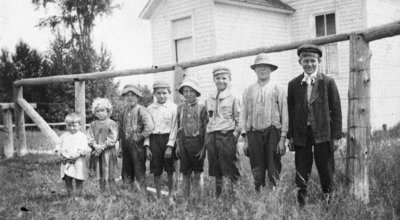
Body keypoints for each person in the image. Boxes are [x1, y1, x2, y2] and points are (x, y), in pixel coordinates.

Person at [287, 44, 342, 207]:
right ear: (300, 62)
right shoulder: (294, 84)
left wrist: (336, 136)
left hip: (323, 132)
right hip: (302, 133)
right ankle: (301, 204)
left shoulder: (328, 82)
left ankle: (328, 203)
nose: (309, 64)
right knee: (302, 169)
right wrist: (291, 135)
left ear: (319, 61)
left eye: (313, 61)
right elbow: (290, 111)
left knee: (326, 169)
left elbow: (336, 110)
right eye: (305, 61)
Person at [239, 53, 288, 192]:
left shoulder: (279, 89)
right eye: (259, 67)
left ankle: (274, 197)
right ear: (254, 69)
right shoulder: (248, 91)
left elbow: (285, 114)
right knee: (257, 168)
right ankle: (259, 197)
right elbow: (243, 115)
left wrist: (282, 139)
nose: (262, 69)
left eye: (266, 67)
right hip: (253, 133)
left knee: (273, 167)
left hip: (273, 132)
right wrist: (246, 140)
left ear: (271, 69)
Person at [203, 66, 241, 198]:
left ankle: (234, 196)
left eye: (224, 78)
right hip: (212, 136)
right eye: (217, 78)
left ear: (229, 79)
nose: (221, 81)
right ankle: (218, 197)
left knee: (231, 167)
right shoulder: (209, 98)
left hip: (227, 136)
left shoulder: (234, 97)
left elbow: (239, 119)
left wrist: (234, 136)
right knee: (216, 167)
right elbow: (208, 118)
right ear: (214, 80)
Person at [144, 80, 178, 204]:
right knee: (156, 170)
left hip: (168, 139)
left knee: (170, 169)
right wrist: (147, 146)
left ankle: (170, 196)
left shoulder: (174, 108)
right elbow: (147, 129)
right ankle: (158, 196)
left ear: (169, 92)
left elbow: (174, 128)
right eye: (159, 93)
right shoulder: (149, 108)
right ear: (154, 94)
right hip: (154, 140)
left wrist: (170, 146)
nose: (162, 96)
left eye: (164, 93)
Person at [176, 77, 207, 199]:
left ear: (196, 92)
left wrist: (204, 148)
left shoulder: (202, 107)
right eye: (185, 91)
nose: (188, 94)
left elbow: (206, 130)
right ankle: (186, 200)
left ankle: (198, 200)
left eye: (191, 91)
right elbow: (178, 128)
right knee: (185, 173)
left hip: (197, 143)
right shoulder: (180, 108)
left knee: (198, 173)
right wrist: (178, 146)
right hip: (184, 143)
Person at [118, 84, 154, 190]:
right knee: (126, 168)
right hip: (125, 144)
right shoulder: (123, 111)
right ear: (124, 97)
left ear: (138, 97)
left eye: (133, 95)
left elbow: (150, 126)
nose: (130, 97)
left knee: (138, 168)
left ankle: (141, 193)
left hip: (137, 145)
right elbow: (120, 131)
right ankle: (128, 192)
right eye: (127, 95)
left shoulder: (141, 110)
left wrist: (140, 136)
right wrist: (120, 147)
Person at [55, 112, 91, 196]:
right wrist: (59, 155)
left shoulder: (82, 136)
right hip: (66, 161)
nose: (71, 128)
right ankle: (70, 196)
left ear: (80, 125)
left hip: (78, 161)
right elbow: (58, 147)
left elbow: (84, 149)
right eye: (69, 125)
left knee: (79, 178)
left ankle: (78, 195)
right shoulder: (64, 136)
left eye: (74, 126)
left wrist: (76, 156)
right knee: (67, 178)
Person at [87, 98, 118, 192]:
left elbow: (113, 137)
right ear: (95, 112)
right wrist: (95, 146)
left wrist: (102, 147)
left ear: (108, 111)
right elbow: (89, 137)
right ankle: (102, 192)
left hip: (108, 152)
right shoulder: (93, 124)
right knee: (100, 173)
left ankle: (112, 193)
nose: (100, 113)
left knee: (109, 172)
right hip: (97, 153)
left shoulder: (112, 123)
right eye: (98, 111)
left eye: (102, 110)